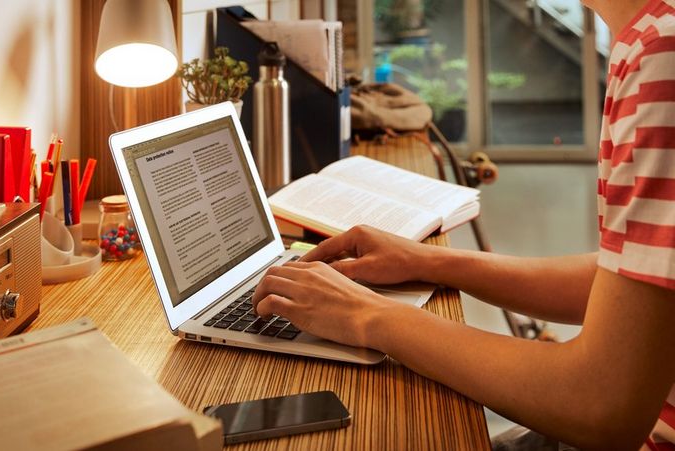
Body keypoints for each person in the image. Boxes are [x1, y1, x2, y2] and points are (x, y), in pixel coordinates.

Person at [252, 0, 675, 449]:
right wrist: (431, 262)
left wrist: (366, 314)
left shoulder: (660, 55)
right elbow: (636, 288)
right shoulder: (652, 36)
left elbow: (600, 405)